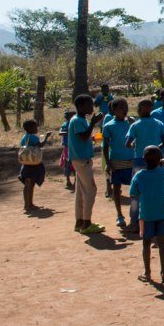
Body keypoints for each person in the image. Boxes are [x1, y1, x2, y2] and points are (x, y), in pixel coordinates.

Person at [129, 146, 164, 283]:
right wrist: (162, 166)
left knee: (146, 243)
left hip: (146, 214)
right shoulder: (163, 172)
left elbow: (133, 193)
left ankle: (147, 272)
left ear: (143, 159)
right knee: (162, 243)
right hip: (162, 213)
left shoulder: (139, 175)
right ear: (159, 159)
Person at [125, 98, 164, 231]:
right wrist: (155, 149)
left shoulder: (135, 125)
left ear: (139, 110)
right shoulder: (159, 123)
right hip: (156, 161)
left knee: (136, 193)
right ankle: (157, 220)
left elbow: (127, 144)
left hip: (139, 161)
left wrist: (137, 146)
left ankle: (134, 222)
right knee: (156, 191)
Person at [69, 94, 105, 235]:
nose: (92, 107)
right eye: (89, 104)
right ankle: (87, 223)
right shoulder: (78, 120)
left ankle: (79, 221)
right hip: (82, 160)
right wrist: (93, 123)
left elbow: (84, 137)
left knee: (81, 192)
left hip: (79, 159)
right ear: (80, 106)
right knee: (91, 190)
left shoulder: (79, 120)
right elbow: (82, 136)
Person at [101, 98, 134, 229]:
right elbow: (105, 146)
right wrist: (108, 163)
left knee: (135, 189)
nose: (124, 110)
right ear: (113, 110)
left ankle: (134, 215)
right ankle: (119, 215)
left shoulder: (131, 123)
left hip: (131, 160)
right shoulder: (108, 126)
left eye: (125, 107)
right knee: (116, 188)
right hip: (116, 161)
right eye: (121, 107)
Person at [17, 119, 50, 212]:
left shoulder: (25, 137)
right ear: (31, 128)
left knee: (27, 184)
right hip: (33, 163)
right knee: (30, 185)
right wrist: (47, 137)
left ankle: (28, 204)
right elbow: (40, 145)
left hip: (26, 163)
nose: (37, 128)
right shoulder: (33, 137)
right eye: (35, 127)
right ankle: (29, 205)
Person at [58, 109, 75, 191]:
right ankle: (68, 181)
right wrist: (68, 132)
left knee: (74, 164)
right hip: (68, 147)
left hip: (72, 146)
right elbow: (60, 132)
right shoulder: (66, 124)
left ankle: (75, 181)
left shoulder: (73, 123)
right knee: (68, 164)